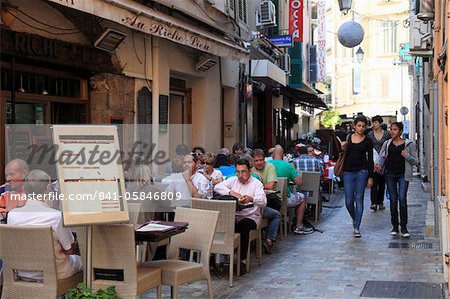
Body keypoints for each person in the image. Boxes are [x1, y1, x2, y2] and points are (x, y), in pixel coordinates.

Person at [7, 169, 82, 281]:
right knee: (84, 261)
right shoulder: (56, 217)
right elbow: (69, 249)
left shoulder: (12, 215)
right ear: (47, 189)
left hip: (23, 273)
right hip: (55, 274)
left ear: (24, 189)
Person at [214, 159, 266, 274]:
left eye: (243, 172)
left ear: (249, 171)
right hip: (234, 215)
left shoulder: (256, 183)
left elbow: (263, 201)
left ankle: (241, 261)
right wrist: (231, 193)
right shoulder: (233, 180)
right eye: (238, 172)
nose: (240, 175)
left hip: (251, 216)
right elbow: (217, 187)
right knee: (221, 223)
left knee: (243, 226)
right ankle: (218, 259)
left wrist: (251, 198)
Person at [375, 122, 419, 237]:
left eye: (395, 129)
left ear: (400, 131)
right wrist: (378, 164)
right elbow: (381, 157)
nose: (392, 131)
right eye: (391, 129)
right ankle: (394, 226)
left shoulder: (409, 144)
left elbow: (416, 161)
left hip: (403, 175)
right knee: (393, 200)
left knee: (402, 199)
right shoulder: (387, 143)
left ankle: (404, 228)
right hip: (390, 174)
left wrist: (407, 156)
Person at [340, 115, 374, 238]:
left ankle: (357, 227)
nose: (361, 128)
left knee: (358, 198)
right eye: (359, 125)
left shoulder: (368, 141)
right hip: (348, 172)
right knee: (349, 201)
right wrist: (342, 148)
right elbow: (340, 154)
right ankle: (356, 219)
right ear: (354, 126)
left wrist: (371, 177)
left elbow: (370, 160)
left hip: (362, 172)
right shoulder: (347, 138)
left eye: (363, 126)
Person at [269, 146, 313, 235]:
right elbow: (299, 182)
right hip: (284, 199)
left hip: (269, 199)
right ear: (283, 156)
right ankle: (299, 225)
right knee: (302, 198)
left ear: (272, 155)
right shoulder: (288, 165)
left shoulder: (267, 165)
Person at [251, 149, 281, 254]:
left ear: (264, 159)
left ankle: (268, 240)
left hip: (271, 197)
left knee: (275, 205)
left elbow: (271, 186)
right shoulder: (250, 170)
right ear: (252, 161)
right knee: (274, 214)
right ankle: (265, 238)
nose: (259, 163)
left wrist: (256, 186)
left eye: (261, 160)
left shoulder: (270, 167)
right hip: (255, 202)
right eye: (256, 161)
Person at [367, 115, 391, 211]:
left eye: (376, 122)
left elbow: (389, 145)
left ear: (380, 123)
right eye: (373, 122)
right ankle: (373, 203)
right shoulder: (370, 134)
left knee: (382, 182)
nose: (374, 124)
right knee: (373, 181)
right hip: (373, 161)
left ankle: (380, 202)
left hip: (384, 161)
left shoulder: (386, 134)